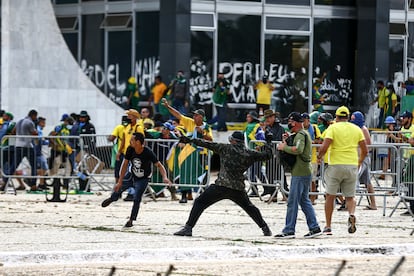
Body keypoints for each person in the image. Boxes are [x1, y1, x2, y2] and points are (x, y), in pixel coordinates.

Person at [173, 131, 274, 237]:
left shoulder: (225, 148)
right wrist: (269, 142)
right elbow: (267, 155)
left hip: (221, 186)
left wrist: (190, 140)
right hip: (238, 188)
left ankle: (188, 228)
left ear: (233, 140)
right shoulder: (249, 153)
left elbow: (207, 144)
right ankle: (265, 228)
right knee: (250, 208)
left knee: (199, 202)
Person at [101, 132, 172, 228]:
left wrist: (165, 177)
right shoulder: (130, 149)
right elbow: (125, 165)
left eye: (132, 140)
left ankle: (131, 220)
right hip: (131, 174)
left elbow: (159, 165)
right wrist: (120, 181)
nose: (130, 141)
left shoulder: (147, 152)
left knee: (137, 198)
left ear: (138, 142)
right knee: (118, 189)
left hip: (143, 178)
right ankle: (112, 198)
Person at [317, 106, 368, 235]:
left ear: (337, 116)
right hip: (351, 165)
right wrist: (359, 162)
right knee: (350, 197)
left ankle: (328, 226)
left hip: (335, 165)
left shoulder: (333, 128)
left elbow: (325, 145)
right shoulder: (356, 129)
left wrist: (319, 157)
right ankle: (351, 214)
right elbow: (365, 149)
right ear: (348, 116)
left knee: (330, 196)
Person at [274, 112, 321, 239]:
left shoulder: (301, 134)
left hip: (300, 172)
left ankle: (289, 230)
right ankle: (314, 227)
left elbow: (299, 149)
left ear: (295, 122)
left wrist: (284, 147)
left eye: (290, 121)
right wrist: (288, 140)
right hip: (303, 171)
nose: (288, 124)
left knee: (292, 201)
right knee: (304, 200)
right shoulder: (300, 134)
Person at [162, 98, 213, 202]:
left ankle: (202, 195)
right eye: (193, 115)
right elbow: (178, 115)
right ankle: (185, 195)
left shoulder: (207, 127)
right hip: (188, 154)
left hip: (201, 154)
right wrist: (168, 107)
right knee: (185, 173)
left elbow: (210, 139)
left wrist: (203, 133)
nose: (194, 117)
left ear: (201, 117)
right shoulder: (190, 123)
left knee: (201, 174)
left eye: (196, 115)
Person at [350, 111, 377, 210]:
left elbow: (368, 145)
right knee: (367, 182)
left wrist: (361, 152)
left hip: (363, 158)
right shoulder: (356, 128)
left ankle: (350, 202)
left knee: (354, 177)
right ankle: (373, 204)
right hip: (359, 157)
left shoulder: (363, 129)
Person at [116, 109, 145, 201]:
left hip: (135, 153)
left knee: (130, 174)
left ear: (134, 117)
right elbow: (124, 140)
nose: (128, 117)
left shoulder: (138, 127)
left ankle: (131, 193)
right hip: (127, 153)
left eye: (130, 115)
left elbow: (142, 140)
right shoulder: (127, 127)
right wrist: (119, 151)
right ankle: (129, 192)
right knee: (127, 173)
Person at [261, 109, 286, 200]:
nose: (267, 119)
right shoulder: (267, 128)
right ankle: (273, 194)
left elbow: (277, 140)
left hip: (278, 154)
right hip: (269, 154)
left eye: (269, 117)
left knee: (280, 175)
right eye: (266, 117)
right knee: (269, 174)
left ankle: (285, 194)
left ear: (274, 117)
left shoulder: (280, 128)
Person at [13, 109, 38, 191]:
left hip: (18, 145)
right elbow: (34, 133)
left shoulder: (19, 121)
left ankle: (5, 183)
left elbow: (13, 131)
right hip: (27, 146)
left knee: (14, 165)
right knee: (34, 165)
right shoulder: (30, 122)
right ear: (33, 115)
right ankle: (33, 184)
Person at [108, 115, 129, 183]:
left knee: (118, 170)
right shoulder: (132, 127)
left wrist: (108, 138)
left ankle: (118, 185)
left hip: (121, 152)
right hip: (131, 152)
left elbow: (111, 138)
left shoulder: (119, 127)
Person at [35, 117, 49, 190]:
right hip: (37, 151)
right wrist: (49, 142)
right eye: (43, 123)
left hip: (37, 151)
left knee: (43, 167)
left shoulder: (39, 129)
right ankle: (31, 178)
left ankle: (41, 183)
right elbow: (40, 140)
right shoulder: (38, 129)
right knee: (44, 167)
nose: (44, 124)